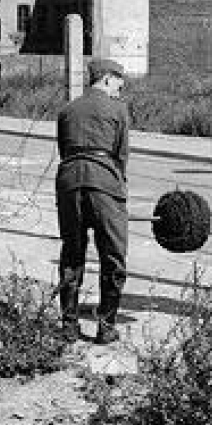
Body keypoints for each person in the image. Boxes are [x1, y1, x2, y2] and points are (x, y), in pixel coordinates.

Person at [55, 58, 129, 344]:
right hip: (104, 185)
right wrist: (119, 191)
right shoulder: (118, 110)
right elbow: (121, 156)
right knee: (113, 254)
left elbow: (64, 150)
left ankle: (69, 325)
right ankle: (106, 325)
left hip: (69, 183)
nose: (119, 90)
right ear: (108, 79)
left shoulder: (67, 110)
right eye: (118, 84)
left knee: (72, 252)